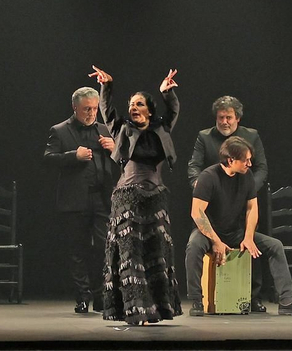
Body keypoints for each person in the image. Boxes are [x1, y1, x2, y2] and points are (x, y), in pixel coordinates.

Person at [91, 65, 185, 325]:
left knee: (155, 252)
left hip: (155, 199)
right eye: (131, 104)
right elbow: (107, 111)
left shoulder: (162, 130)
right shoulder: (121, 129)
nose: (133, 107)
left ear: (149, 109)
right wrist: (106, 86)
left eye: (139, 103)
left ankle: (157, 308)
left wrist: (167, 92)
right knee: (131, 254)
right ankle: (136, 311)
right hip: (127, 199)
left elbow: (173, 111)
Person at [185, 136, 292, 316]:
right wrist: (215, 241)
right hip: (209, 232)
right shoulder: (208, 177)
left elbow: (252, 208)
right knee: (194, 246)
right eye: (245, 160)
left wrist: (248, 236)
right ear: (231, 160)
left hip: (234, 232)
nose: (250, 164)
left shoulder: (246, 176)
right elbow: (197, 212)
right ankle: (197, 300)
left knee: (275, 245)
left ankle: (287, 301)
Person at [187, 95, 271, 312]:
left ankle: (254, 297)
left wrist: (247, 187)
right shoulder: (205, 137)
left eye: (229, 118)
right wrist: (201, 185)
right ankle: (197, 300)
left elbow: (260, 168)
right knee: (194, 245)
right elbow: (194, 166)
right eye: (220, 117)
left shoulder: (251, 136)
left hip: (240, 201)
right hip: (212, 202)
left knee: (254, 243)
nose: (224, 121)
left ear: (238, 119)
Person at [44, 85, 118, 313]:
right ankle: (82, 297)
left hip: (101, 199)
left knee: (103, 248)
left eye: (95, 109)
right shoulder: (60, 130)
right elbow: (48, 159)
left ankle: (100, 295)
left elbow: (123, 162)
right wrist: (72, 156)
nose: (91, 113)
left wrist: (115, 149)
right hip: (74, 200)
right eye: (86, 109)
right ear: (75, 108)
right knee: (78, 249)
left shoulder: (105, 130)